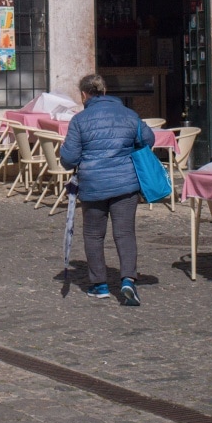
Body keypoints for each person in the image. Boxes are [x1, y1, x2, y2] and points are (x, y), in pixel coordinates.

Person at [58, 74, 154, 306]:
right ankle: (128, 280)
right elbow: (149, 138)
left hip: (93, 184)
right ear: (105, 90)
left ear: (84, 94)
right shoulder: (129, 115)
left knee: (93, 234)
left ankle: (99, 284)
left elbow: (69, 159)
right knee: (125, 233)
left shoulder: (79, 121)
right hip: (126, 184)